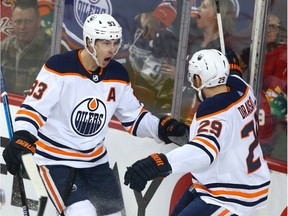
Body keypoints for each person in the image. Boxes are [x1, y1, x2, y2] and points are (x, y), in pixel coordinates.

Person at [2, 14, 189, 216]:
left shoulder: (118, 75)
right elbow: (33, 109)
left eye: (116, 42)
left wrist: (163, 128)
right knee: (82, 212)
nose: (112, 49)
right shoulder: (59, 68)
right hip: (55, 160)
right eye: (106, 43)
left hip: (95, 162)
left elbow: (135, 119)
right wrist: (22, 137)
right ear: (90, 42)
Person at [124, 48, 271, 215]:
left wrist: (160, 163)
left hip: (233, 195)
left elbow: (203, 151)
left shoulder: (213, 111)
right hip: (222, 183)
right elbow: (234, 74)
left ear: (199, 79)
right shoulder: (243, 89)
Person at [1, 0, 52, 95]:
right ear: (12, 22)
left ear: (38, 22)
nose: (22, 27)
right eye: (18, 22)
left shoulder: (51, 51)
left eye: (28, 22)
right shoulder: (4, 47)